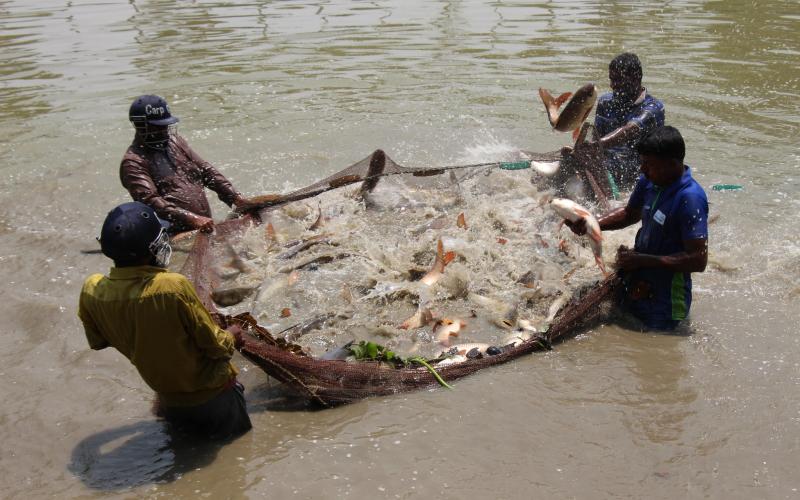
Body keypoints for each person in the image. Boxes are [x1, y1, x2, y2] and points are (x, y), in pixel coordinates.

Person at [78, 201, 252, 439]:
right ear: (152, 247)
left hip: (170, 401)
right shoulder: (171, 286)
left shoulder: (92, 289)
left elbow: (98, 341)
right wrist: (232, 334)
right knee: (236, 460)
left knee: (186, 462)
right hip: (215, 399)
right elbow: (216, 347)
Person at [566, 126, 708, 331]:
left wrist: (642, 260)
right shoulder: (649, 181)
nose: (642, 169)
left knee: (656, 348)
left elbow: (698, 259)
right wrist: (591, 223)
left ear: (673, 164)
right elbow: (629, 214)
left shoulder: (690, 198)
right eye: (643, 162)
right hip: (638, 279)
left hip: (666, 301)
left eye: (648, 164)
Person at [120, 94, 255, 234]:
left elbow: (206, 171)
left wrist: (235, 198)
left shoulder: (175, 142)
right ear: (140, 126)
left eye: (166, 126)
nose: (164, 131)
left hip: (203, 226)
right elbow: (152, 202)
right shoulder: (133, 163)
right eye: (158, 127)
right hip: (174, 234)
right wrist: (193, 219)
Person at [572, 53, 665, 192]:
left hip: (637, 174)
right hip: (605, 168)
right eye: (611, 79)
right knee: (567, 159)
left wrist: (596, 145)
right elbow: (597, 137)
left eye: (618, 80)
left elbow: (629, 130)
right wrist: (589, 153)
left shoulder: (653, 108)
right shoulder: (605, 102)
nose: (613, 85)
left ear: (636, 78)